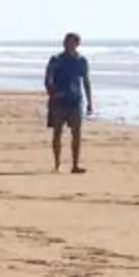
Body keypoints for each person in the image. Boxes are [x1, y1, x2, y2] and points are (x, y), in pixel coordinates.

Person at [45, 32, 94, 172]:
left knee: (77, 134)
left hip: (75, 100)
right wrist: (52, 94)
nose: (68, 45)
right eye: (67, 42)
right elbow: (48, 78)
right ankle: (57, 163)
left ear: (77, 44)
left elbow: (86, 81)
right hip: (59, 101)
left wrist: (90, 101)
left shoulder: (81, 60)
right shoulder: (56, 59)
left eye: (72, 42)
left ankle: (75, 165)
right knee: (57, 133)